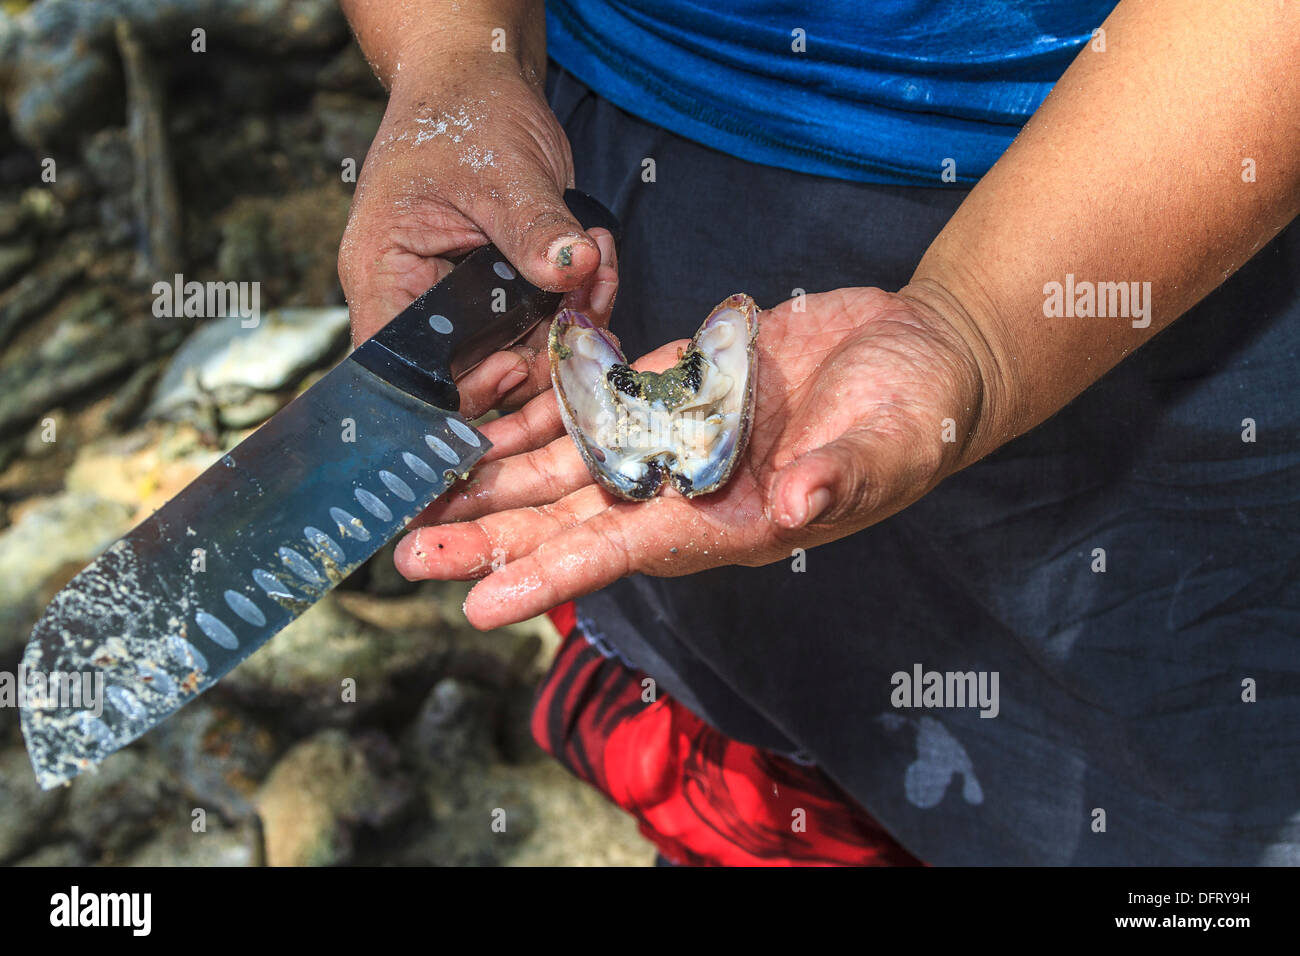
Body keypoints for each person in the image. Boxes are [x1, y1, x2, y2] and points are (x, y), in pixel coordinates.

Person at [338, 0, 1300, 865]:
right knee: (749, 699)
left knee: (1178, 753)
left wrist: (975, 333)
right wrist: (457, 63)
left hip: (1172, 193)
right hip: (615, 172)